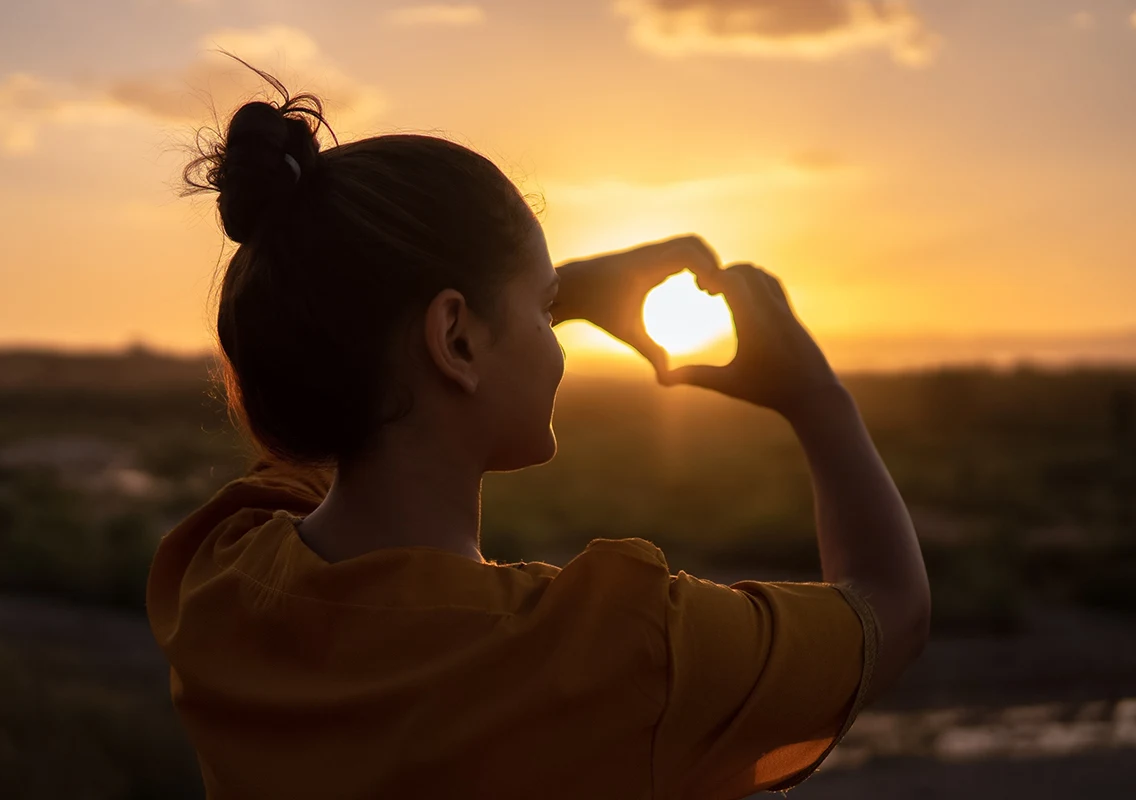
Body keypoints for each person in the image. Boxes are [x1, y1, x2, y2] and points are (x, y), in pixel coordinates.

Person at [146, 68, 930, 800]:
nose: (556, 337)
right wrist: (817, 398)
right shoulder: (618, 653)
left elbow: (346, 394)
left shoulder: (220, 577)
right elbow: (890, 610)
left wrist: (532, 295)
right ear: (454, 339)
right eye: (544, 306)